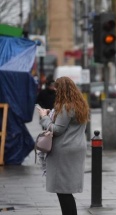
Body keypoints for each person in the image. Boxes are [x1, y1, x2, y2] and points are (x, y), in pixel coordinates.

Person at [37, 76, 89, 215]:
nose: (55, 91)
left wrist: (44, 117)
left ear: (62, 90)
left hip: (64, 149)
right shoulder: (81, 104)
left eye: (57, 88)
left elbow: (57, 129)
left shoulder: (66, 106)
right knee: (66, 188)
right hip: (77, 147)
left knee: (62, 190)